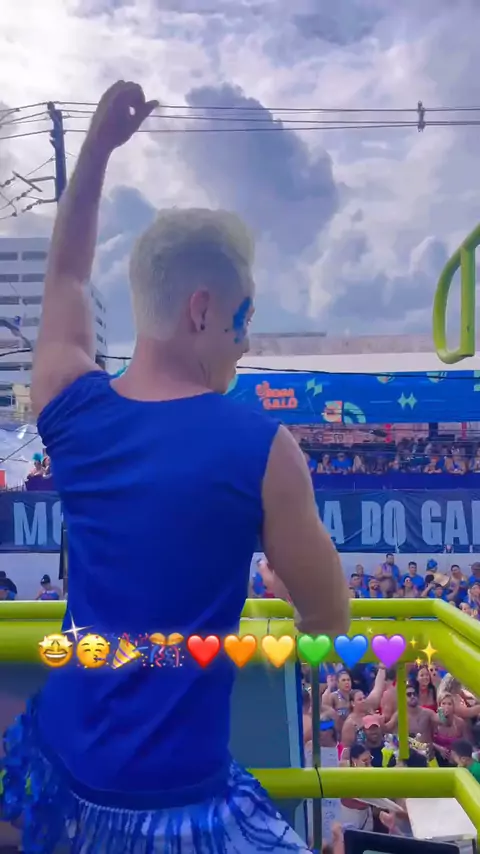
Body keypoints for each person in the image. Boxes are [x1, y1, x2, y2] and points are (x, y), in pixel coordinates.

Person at [1, 81, 349, 853]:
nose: (245, 342)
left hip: (60, 769)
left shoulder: (72, 408)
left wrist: (96, 151)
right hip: (177, 806)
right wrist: (279, 589)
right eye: (244, 319)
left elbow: (65, 280)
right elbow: (329, 621)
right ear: (202, 310)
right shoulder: (264, 449)